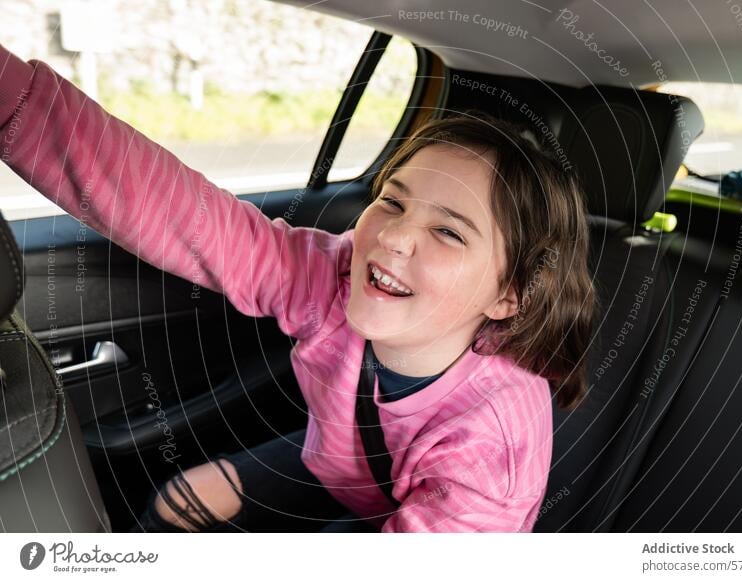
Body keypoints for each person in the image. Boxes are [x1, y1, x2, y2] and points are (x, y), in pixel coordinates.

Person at [0, 43, 596, 532]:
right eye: (392, 200)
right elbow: (189, 217)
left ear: (508, 296)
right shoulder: (334, 278)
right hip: (342, 465)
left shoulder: (490, 451)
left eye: (447, 231)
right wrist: (12, 102)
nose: (393, 237)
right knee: (179, 500)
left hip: (419, 518)